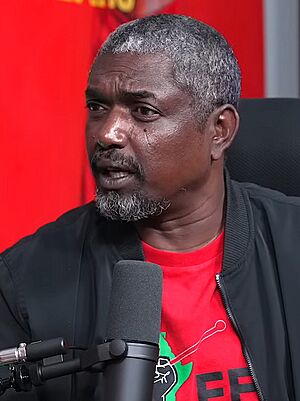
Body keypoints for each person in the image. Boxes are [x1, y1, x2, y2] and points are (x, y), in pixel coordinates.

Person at [0, 13, 299, 401]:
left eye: (143, 111)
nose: (107, 133)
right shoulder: (24, 282)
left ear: (220, 131)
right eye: (96, 107)